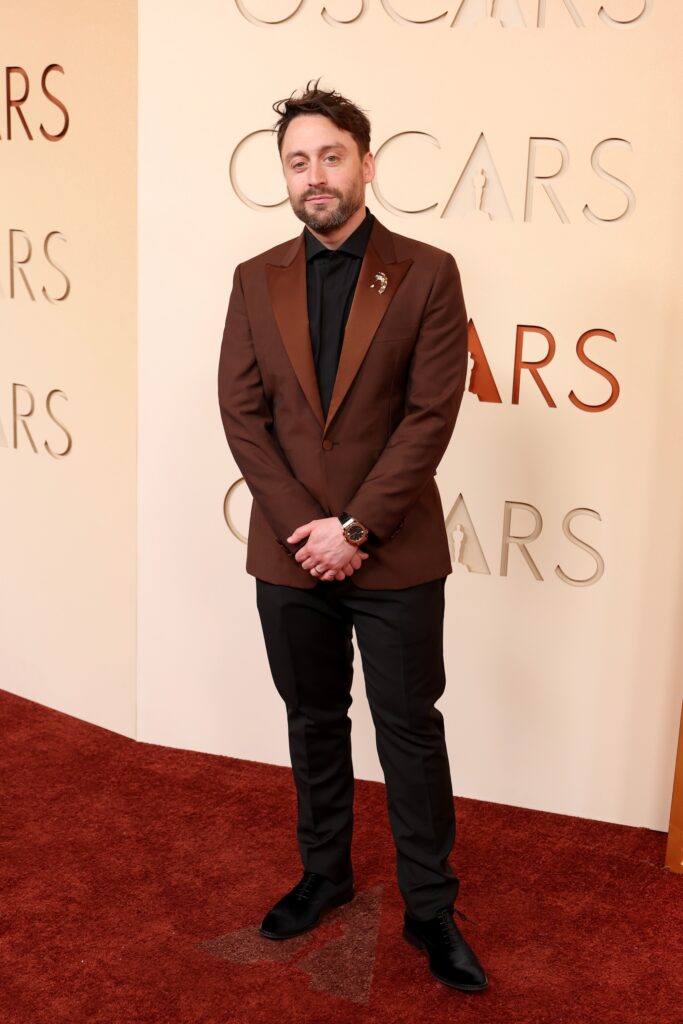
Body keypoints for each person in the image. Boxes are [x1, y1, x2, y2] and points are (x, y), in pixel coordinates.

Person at [217, 79, 487, 993]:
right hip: (290, 553)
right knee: (311, 721)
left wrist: (357, 529)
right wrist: (309, 530)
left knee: (408, 730)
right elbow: (242, 415)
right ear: (284, 176)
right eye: (297, 161)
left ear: (365, 165)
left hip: (394, 550)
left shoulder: (428, 271)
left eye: (330, 156)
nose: (314, 175)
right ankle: (324, 875)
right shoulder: (253, 278)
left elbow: (429, 416)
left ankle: (430, 908)